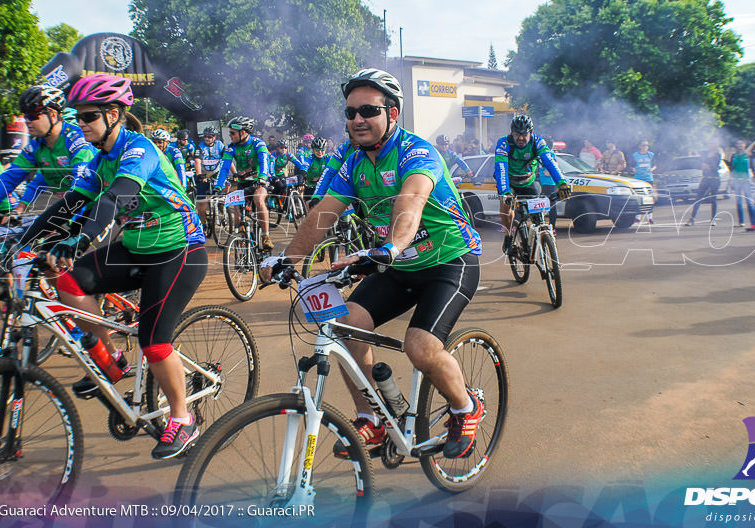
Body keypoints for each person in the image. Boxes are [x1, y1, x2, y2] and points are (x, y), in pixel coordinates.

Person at [263, 68, 486, 459]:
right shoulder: (352, 162)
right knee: (346, 320)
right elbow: (323, 213)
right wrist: (287, 258)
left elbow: (411, 201)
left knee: (419, 345)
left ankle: (465, 407)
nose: (357, 120)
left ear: (393, 114)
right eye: (350, 113)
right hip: (398, 265)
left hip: (449, 261)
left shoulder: (416, 152)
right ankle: (373, 419)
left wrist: (391, 246)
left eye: (368, 110)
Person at [16, 73, 208, 459]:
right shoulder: (100, 157)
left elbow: (119, 195)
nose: (80, 124)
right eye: (78, 117)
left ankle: (183, 418)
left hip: (179, 249)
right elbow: (71, 202)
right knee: (68, 281)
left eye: (88, 116)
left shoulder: (139, 149)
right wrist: (20, 241)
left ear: (115, 114)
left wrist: (80, 238)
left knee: (153, 342)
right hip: (138, 246)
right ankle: (111, 359)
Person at [0, 86, 96, 219]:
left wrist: (68, 218)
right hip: (70, 207)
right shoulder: (36, 146)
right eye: (25, 116)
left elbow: (81, 183)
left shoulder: (76, 140)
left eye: (32, 115)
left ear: (52, 114)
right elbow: (11, 177)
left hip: (95, 205)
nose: (27, 121)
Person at [494, 114, 572, 253]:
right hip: (509, 183)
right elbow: (501, 169)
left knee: (538, 214)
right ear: (512, 132)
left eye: (524, 134)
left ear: (531, 132)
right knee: (506, 208)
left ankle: (537, 235)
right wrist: (505, 192)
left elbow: (549, 162)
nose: (521, 138)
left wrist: (562, 183)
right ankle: (509, 235)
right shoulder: (504, 143)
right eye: (517, 134)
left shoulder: (537, 142)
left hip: (528, 182)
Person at [214, 116, 274, 250]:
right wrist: (218, 186)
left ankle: (266, 237)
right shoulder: (231, 148)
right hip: (243, 184)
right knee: (236, 209)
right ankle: (241, 247)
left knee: (258, 199)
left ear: (244, 132)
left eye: (232, 133)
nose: (230, 135)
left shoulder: (258, 144)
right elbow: (224, 168)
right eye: (229, 133)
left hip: (259, 182)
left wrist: (263, 177)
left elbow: (265, 161)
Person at [687, 140, 723, 226]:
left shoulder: (717, 155)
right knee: (698, 198)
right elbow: (699, 163)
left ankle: (713, 219)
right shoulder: (704, 153)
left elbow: (714, 167)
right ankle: (692, 218)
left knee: (713, 199)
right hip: (705, 178)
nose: (710, 145)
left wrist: (707, 166)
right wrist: (704, 165)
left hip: (714, 178)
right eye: (710, 143)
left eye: (712, 143)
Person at [728, 139, 753, 227]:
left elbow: (752, 167)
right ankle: (741, 222)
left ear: (745, 145)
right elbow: (731, 168)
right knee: (739, 202)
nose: (739, 145)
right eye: (738, 144)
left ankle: (753, 223)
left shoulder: (747, 155)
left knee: (749, 202)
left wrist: (753, 178)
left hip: (746, 181)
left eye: (741, 144)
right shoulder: (734, 155)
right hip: (737, 181)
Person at [631, 140, 657, 225]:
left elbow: (655, 165)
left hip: (648, 178)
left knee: (649, 198)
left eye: (646, 145)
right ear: (640, 146)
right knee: (639, 198)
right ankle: (637, 218)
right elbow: (631, 165)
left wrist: (652, 169)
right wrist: (633, 169)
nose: (645, 147)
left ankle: (650, 218)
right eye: (643, 145)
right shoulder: (635, 155)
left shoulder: (651, 154)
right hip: (638, 178)